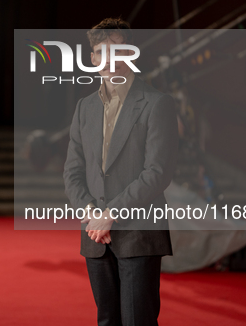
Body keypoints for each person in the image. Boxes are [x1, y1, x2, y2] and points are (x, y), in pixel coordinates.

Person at [63, 17, 179, 326]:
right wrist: (90, 212)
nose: (108, 59)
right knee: (107, 321)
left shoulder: (157, 104)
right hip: (95, 237)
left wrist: (109, 214)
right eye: (100, 52)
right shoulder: (84, 108)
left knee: (137, 321)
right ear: (92, 58)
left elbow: (157, 173)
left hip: (139, 233)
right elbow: (72, 172)